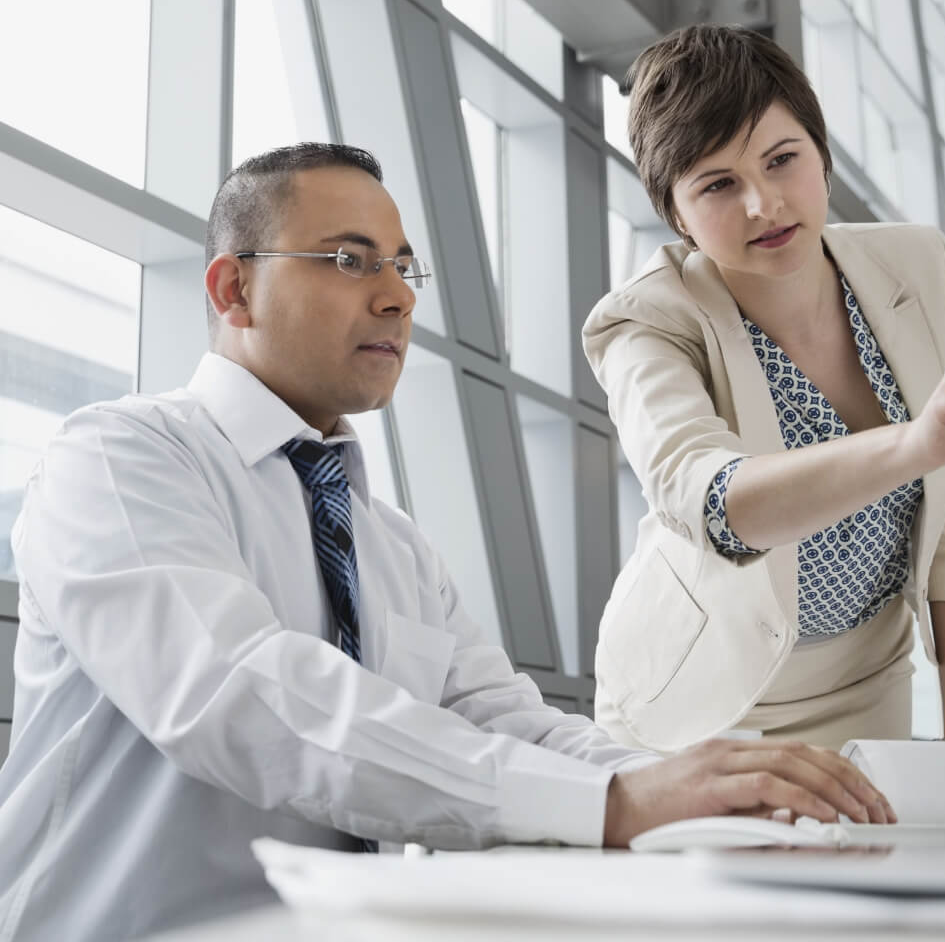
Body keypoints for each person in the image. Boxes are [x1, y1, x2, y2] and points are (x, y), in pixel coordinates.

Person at [0, 143, 894, 942]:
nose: (395, 297)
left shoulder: (388, 544)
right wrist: (615, 803)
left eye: (401, 266)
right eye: (348, 261)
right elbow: (244, 697)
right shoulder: (117, 458)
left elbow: (503, 722)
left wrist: (703, 785)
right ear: (234, 289)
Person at [583, 25, 945, 754]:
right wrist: (918, 444)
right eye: (718, 184)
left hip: (865, 683)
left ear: (821, 154)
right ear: (676, 213)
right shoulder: (643, 322)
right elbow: (715, 502)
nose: (764, 203)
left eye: (782, 160)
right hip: (703, 703)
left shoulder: (918, 264)